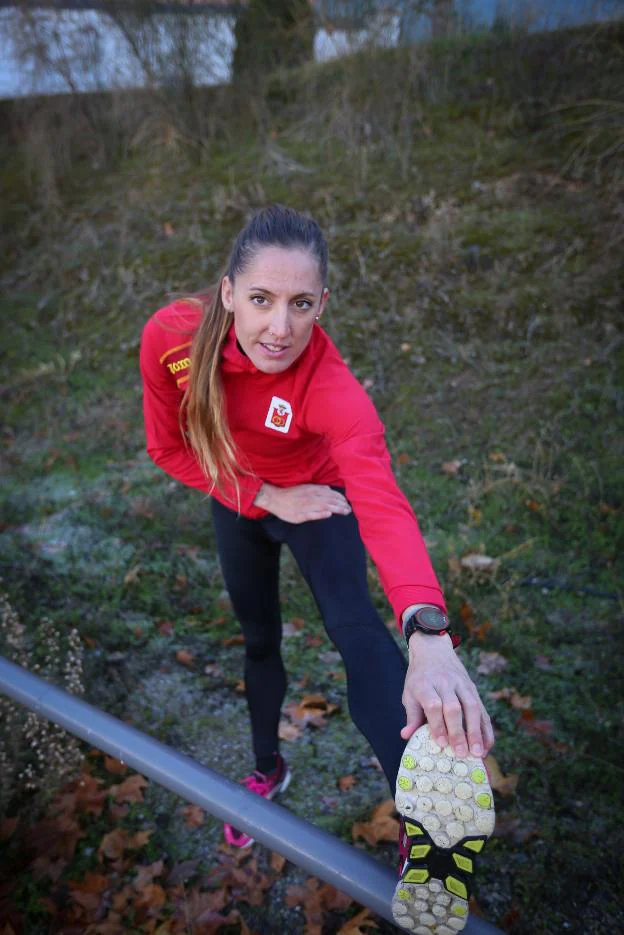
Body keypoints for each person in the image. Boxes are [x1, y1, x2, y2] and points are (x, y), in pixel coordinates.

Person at [139, 205, 496, 933]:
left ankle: (427, 825)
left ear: (322, 304)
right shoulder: (171, 337)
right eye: (263, 299)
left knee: (356, 629)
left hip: (323, 501)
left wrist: (430, 633)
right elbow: (169, 448)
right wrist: (265, 494)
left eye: (301, 304)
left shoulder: (335, 392)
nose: (280, 327)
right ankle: (269, 766)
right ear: (228, 291)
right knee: (258, 637)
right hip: (241, 495)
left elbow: (385, 503)